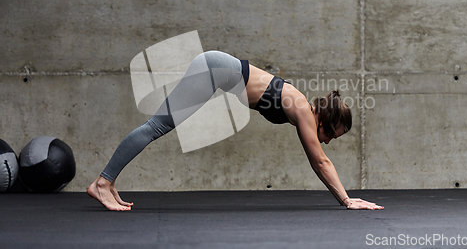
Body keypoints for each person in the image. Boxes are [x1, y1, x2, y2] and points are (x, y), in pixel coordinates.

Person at [87, 51, 383, 211]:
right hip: (214, 69)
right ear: (325, 121)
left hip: (216, 68)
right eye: (333, 135)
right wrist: (347, 200)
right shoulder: (304, 111)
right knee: (157, 125)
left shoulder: (301, 108)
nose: (328, 142)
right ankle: (102, 182)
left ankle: (109, 182)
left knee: (158, 126)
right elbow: (320, 161)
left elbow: (319, 157)